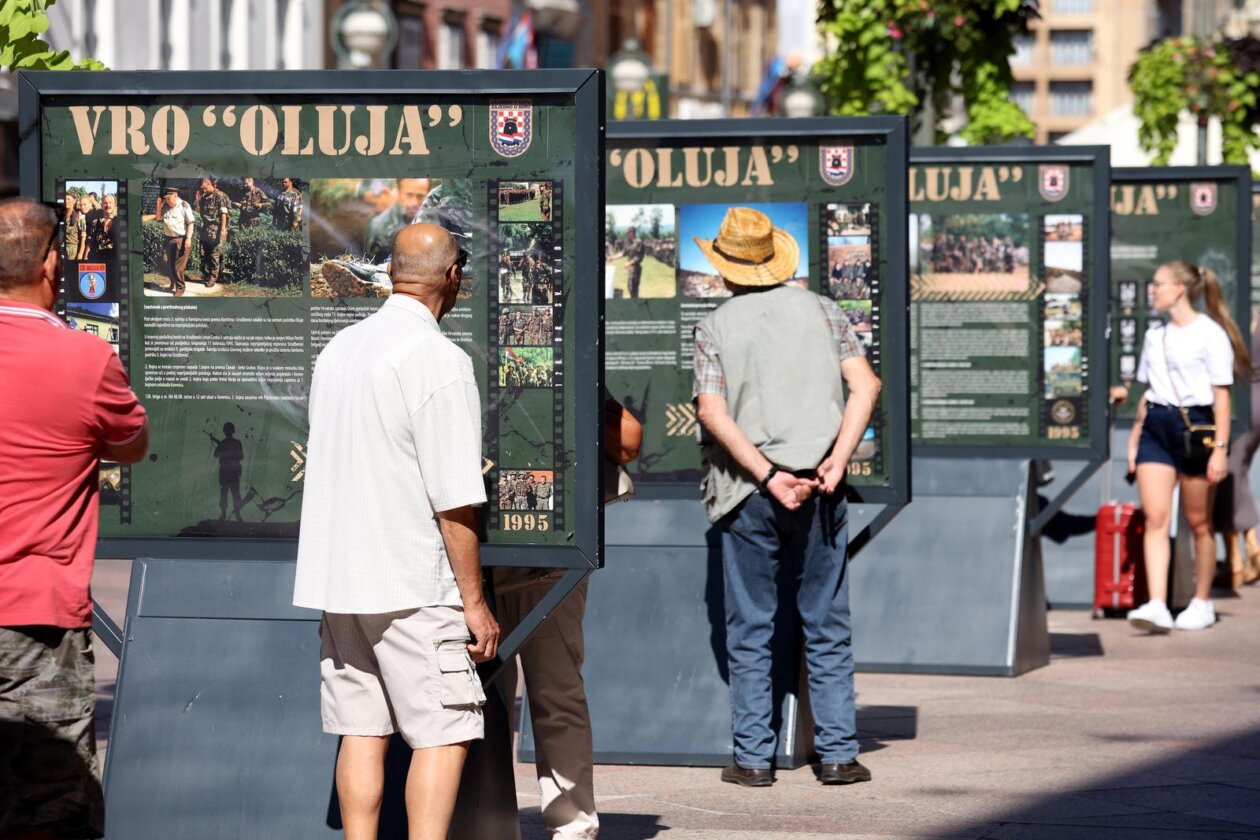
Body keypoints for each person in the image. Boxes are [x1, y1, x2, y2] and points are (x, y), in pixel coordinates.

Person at [293, 223, 496, 840]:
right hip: (413, 580)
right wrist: (475, 602)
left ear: (391, 271)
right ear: (453, 276)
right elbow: (456, 498)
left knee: (362, 730)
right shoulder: (439, 358)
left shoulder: (341, 348)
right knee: (445, 732)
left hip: (340, 578)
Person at [691, 207, 881, 787]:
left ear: (725, 267)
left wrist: (768, 475)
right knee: (826, 621)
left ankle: (753, 760)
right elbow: (866, 384)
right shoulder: (824, 310)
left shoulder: (715, 324)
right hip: (823, 484)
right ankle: (839, 755)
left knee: (750, 626)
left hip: (750, 492)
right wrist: (837, 459)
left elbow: (711, 411)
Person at [0, 197, 148, 839]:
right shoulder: (86, 361)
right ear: (52, 265)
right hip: (37, 614)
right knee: (51, 804)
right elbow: (132, 443)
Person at [493, 397, 642, 840]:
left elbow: (627, 439)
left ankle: (485, 817)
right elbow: (629, 441)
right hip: (550, 534)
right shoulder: (558, 348)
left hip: (472, 537)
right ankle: (571, 824)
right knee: (555, 687)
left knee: (481, 694)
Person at [1126, 260, 1251, 633]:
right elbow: (1147, 393)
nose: (1153, 290)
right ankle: (1157, 604)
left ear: (1179, 288)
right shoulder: (1155, 336)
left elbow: (1222, 398)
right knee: (1155, 518)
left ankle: (1201, 602)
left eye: (1158, 284)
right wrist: (1134, 439)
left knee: (1200, 522)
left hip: (1197, 427)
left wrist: (1220, 449)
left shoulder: (1211, 334)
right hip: (1156, 429)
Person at [363, 178, 429, 263]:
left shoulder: (434, 222)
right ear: (398, 192)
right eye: (409, 195)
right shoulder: (378, 228)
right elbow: (367, 269)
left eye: (420, 196)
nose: (414, 203)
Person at [152, 187, 195, 296]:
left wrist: (188, 239)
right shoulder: (166, 205)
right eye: (165, 199)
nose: (167, 201)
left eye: (169, 198)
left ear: (175, 195)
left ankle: (180, 288)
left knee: (178, 267)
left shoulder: (184, 205)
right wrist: (159, 207)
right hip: (168, 239)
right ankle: (173, 282)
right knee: (166, 261)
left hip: (180, 239)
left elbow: (190, 223)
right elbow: (158, 218)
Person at [195, 178, 232, 288]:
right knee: (205, 254)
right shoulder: (205, 197)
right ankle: (209, 274)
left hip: (216, 229)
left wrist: (223, 230)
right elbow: (199, 212)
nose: (203, 190)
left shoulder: (220, 196)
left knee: (214, 254)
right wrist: (198, 199)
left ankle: (213, 277)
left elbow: (224, 214)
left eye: (204, 187)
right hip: (206, 229)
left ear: (208, 184)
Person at [210, 422, 245, 521]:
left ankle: (225, 514)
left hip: (226, 472)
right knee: (234, 493)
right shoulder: (236, 443)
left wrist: (222, 448)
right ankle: (236, 514)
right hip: (233, 472)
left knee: (225, 493)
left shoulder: (223, 443)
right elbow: (241, 457)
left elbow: (215, 455)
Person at [86, 193, 119, 260]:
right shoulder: (95, 223)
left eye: (110, 203)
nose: (108, 205)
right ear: (101, 205)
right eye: (105, 203)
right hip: (98, 259)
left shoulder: (119, 222)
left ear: (115, 204)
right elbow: (91, 242)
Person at [622, 228, 644, 299]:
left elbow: (639, 256)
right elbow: (624, 253)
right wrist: (612, 258)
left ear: (632, 232)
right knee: (629, 286)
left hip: (636, 268)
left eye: (628, 233)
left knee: (633, 289)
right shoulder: (629, 242)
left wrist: (628, 263)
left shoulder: (639, 242)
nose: (627, 235)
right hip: (631, 268)